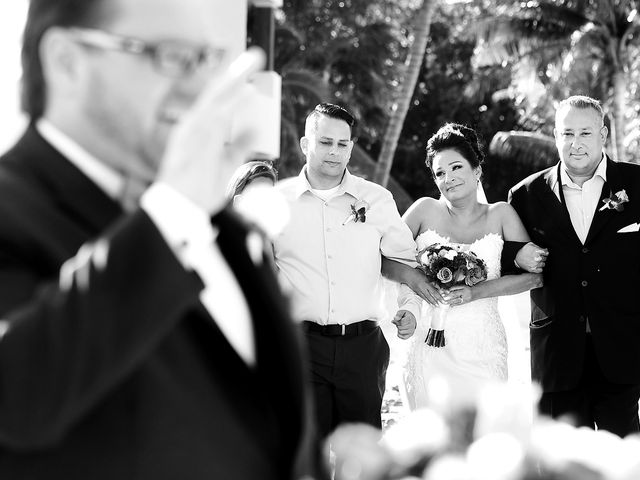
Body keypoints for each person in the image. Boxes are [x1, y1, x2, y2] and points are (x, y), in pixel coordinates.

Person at [0, 1, 324, 479]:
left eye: (207, 60)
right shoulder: (15, 210)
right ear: (67, 61)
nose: (200, 87)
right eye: (171, 57)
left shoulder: (221, 227)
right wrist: (172, 212)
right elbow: (17, 392)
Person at [273, 102, 434, 439]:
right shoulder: (275, 202)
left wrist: (410, 308)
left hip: (362, 349)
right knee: (305, 455)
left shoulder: (376, 199)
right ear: (306, 144)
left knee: (363, 458)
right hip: (300, 347)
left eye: (343, 144)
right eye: (325, 142)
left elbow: (405, 261)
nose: (334, 152)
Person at [507, 95, 640, 437]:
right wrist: (515, 255)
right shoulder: (525, 195)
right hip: (557, 355)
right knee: (560, 463)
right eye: (567, 134)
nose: (575, 143)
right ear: (555, 136)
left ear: (603, 134)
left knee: (623, 462)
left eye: (585, 133)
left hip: (621, 352)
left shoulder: (638, 185)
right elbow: (501, 253)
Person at [401, 123, 543, 409]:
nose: (448, 178)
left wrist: (476, 292)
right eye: (440, 173)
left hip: (483, 347)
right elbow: (389, 258)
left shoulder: (501, 214)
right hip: (429, 347)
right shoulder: (423, 210)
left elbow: (533, 279)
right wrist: (416, 290)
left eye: (456, 168)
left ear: (476, 170)